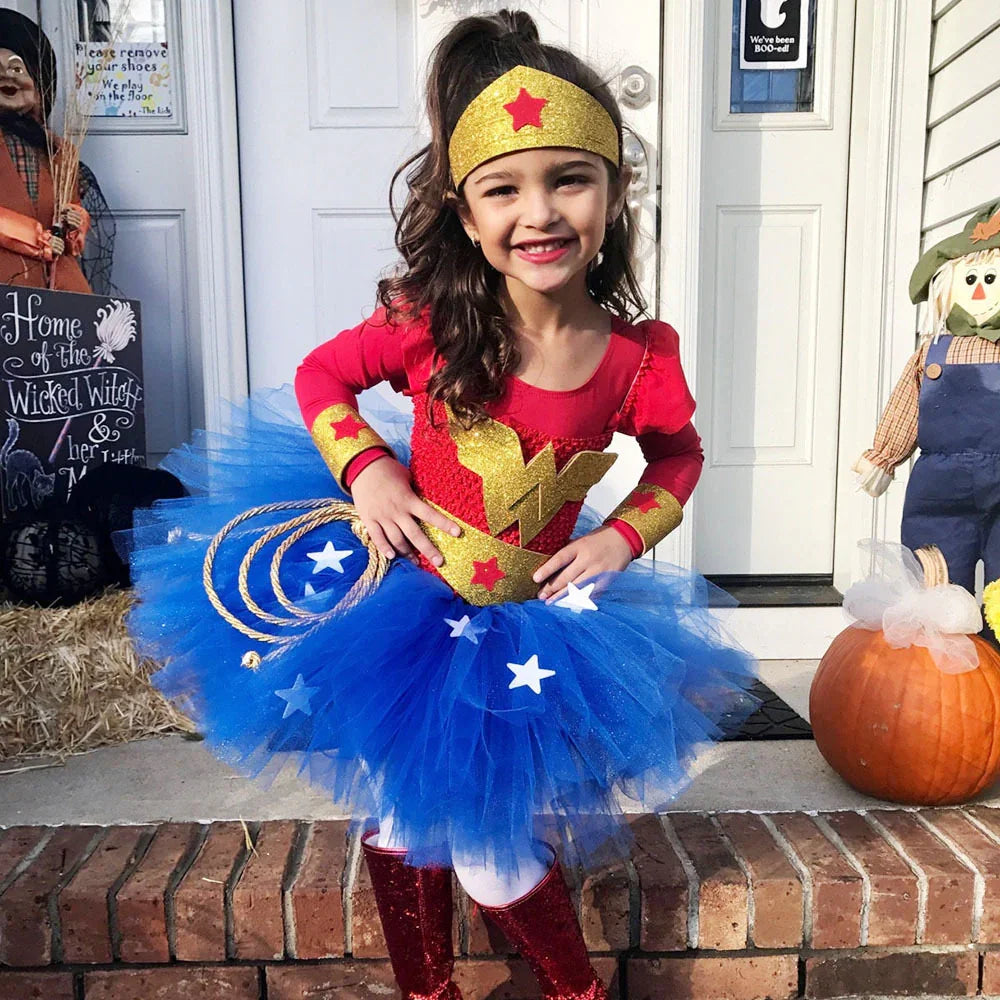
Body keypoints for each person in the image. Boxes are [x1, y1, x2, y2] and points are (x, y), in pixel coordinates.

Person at [126, 11, 757, 1000]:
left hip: (530, 623)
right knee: (399, 820)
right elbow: (321, 376)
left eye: (569, 180)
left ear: (614, 189)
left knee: (491, 852)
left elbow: (678, 456)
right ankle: (429, 989)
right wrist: (368, 470)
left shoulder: (637, 359)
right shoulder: (429, 322)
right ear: (466, 214)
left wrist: (624, 538)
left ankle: (574, 989)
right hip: (407, 607)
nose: (538, 213)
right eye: (504, 190)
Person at [854, 199, 1000, 594]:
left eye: (991, 278)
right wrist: (884, 455)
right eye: (971, 280)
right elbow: (907, 404)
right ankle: (941, 649)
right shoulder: (931, 351)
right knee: (935, 571)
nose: (982, 290)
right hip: (939, 483)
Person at [0, 9, 114, 294]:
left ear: (38, 85)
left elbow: (72, 205)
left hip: (58, 289)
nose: (7, 77)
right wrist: (36, 238)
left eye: (17, 68)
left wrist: (76, 221)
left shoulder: (59, 150)